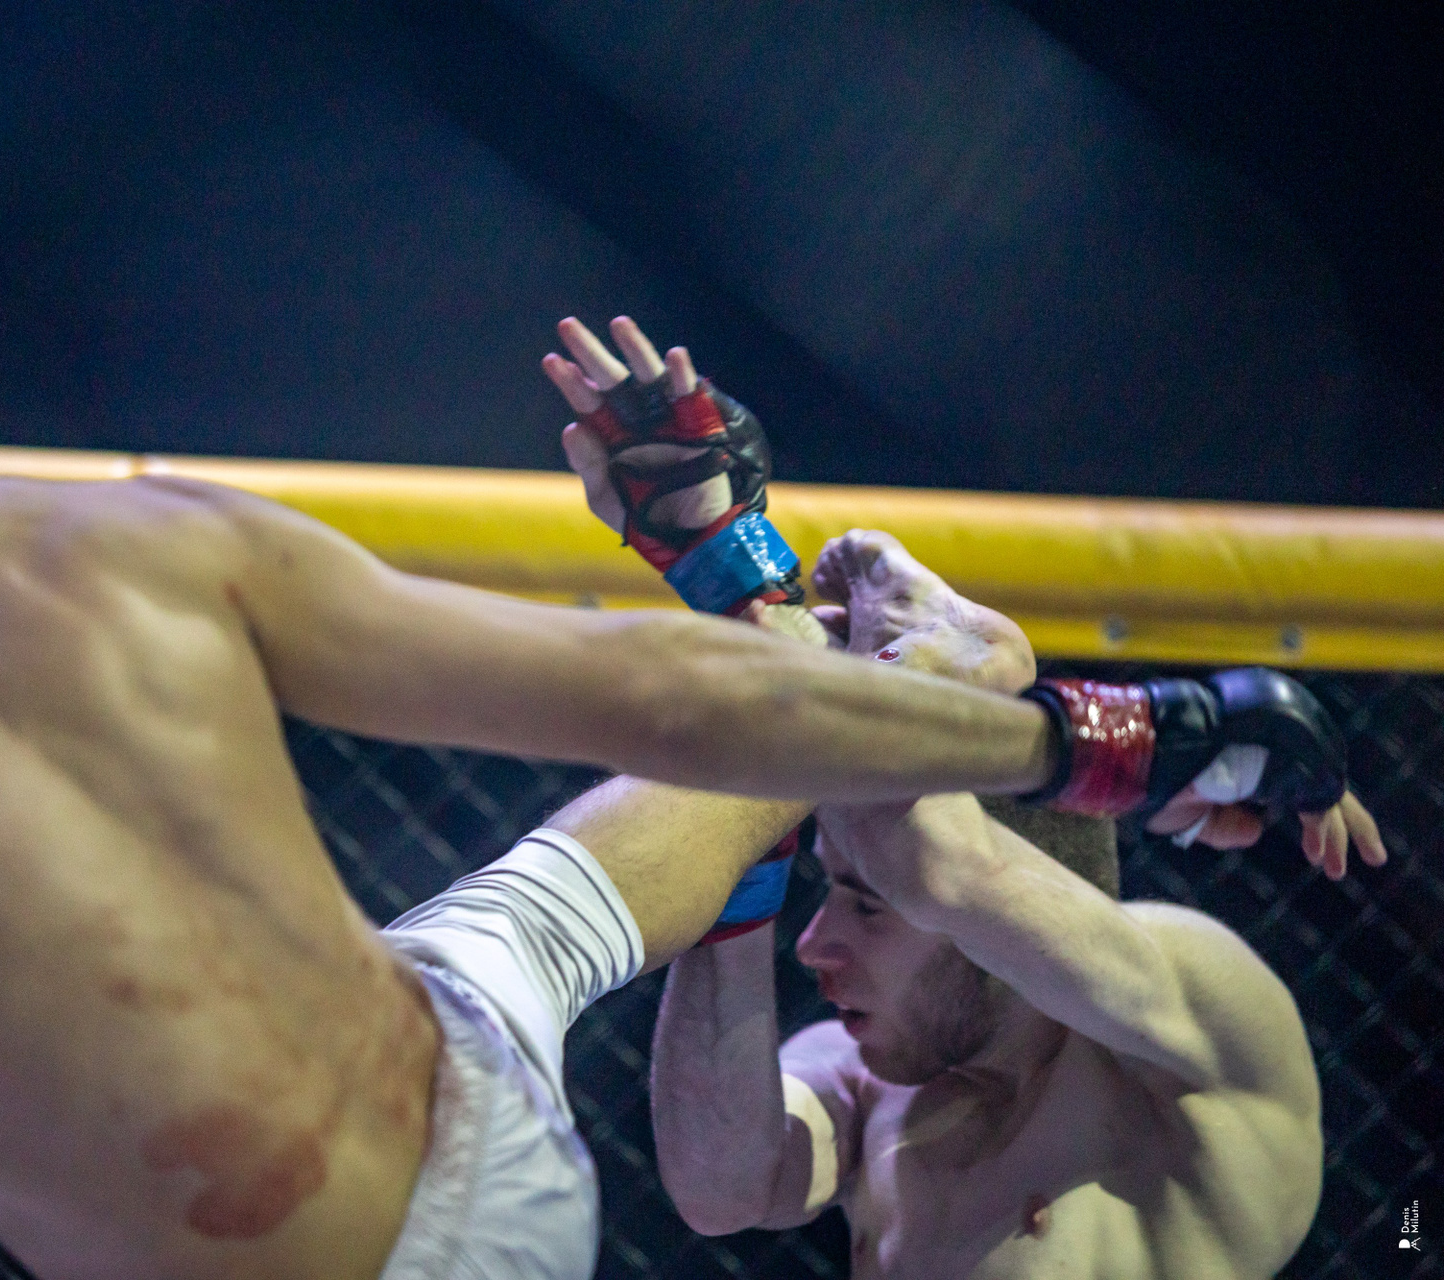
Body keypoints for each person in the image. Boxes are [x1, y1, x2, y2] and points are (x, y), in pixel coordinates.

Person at [0, 203, 1363, 1280]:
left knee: (493, 936)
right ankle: (783, 602)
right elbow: (652, 714)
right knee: (570, 874)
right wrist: (1121, 741)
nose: (829, 940)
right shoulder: (101, 548)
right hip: (440, 1204)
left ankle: (765, 592)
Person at [534, 319, 1389, 1276]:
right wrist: (748, 825)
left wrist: (737, 586)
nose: (813, 944)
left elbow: (929, 861)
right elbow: (722, 1187)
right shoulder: (867, 1083)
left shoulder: (1185, 1023)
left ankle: (956, 667)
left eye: (863, 906)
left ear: (1011, 907)